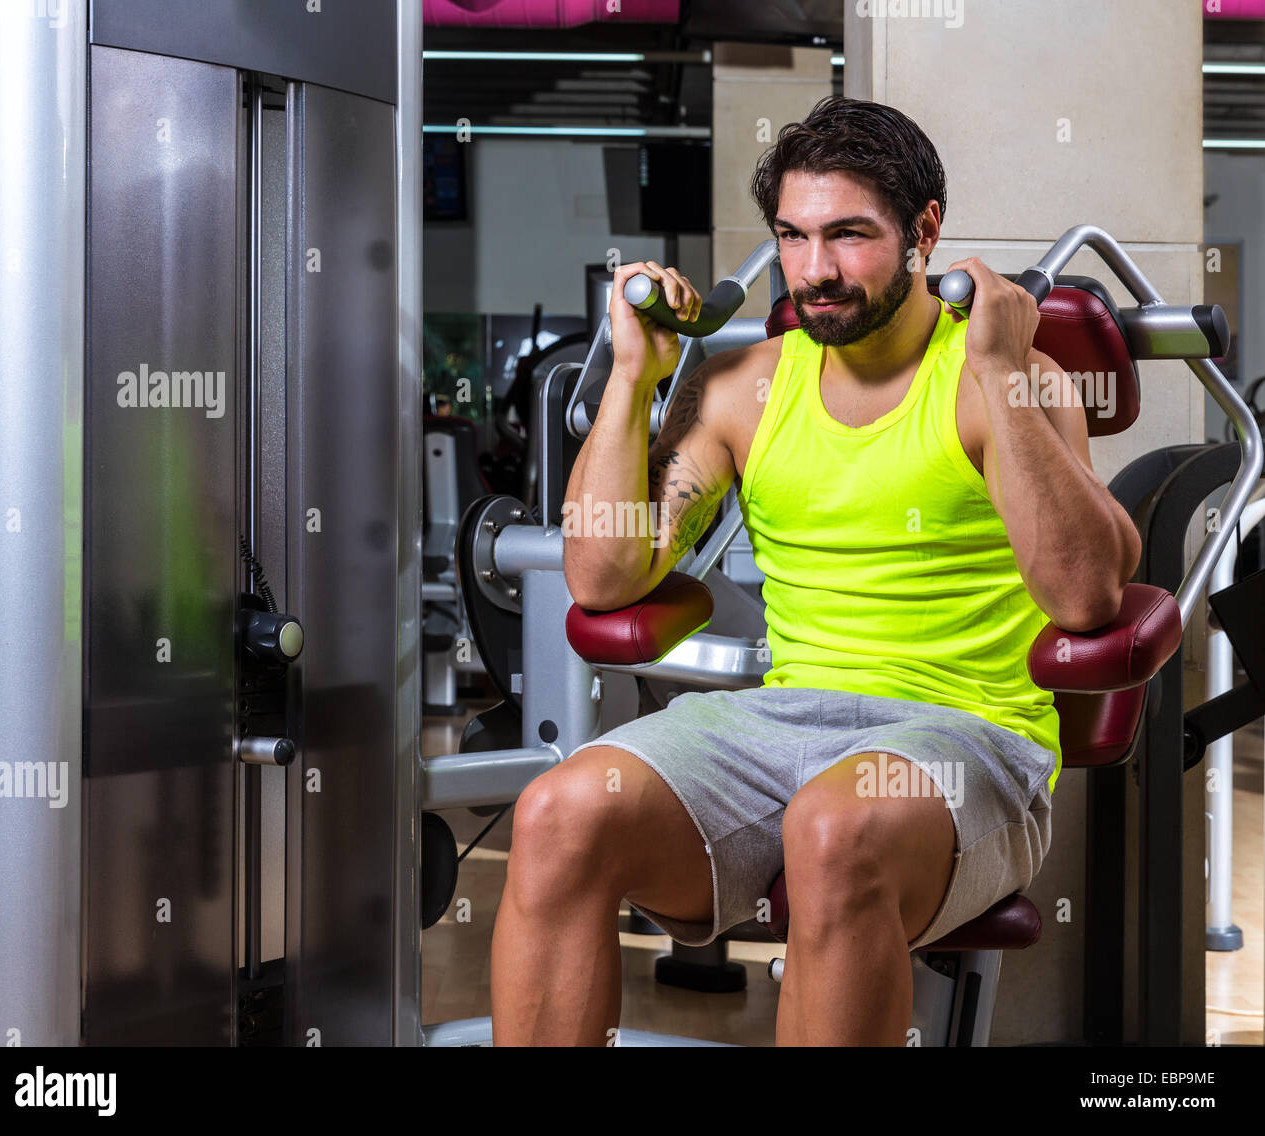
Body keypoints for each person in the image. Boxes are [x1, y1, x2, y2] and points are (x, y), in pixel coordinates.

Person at [489, 95, 1141, 1046]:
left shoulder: (1012, 376)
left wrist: (1000, 370)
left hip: (967, 741)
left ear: (925, 231)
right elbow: (601, 575)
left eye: (848, 235)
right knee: (559, 814)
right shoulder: (744, 386)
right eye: (793, 237)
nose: (815, 271)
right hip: (777, 724)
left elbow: (1087, 593)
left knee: (836, 829)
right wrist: (634, 375)